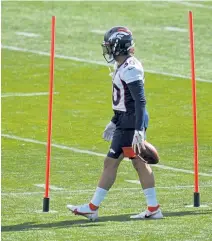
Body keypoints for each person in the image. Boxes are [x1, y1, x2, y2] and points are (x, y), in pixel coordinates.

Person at [67, 26, 163, 220]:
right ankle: (153, 208)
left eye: (110, 46)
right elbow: (124, 100)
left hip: (130, 122)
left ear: (119, 46)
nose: (107, 50)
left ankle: (93, 207)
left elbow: (139, 100)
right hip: (125, 120)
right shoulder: (124, 65)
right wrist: (114, 120)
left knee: (111, 162)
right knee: (138, 163)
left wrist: (138, 129)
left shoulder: (130, 68)